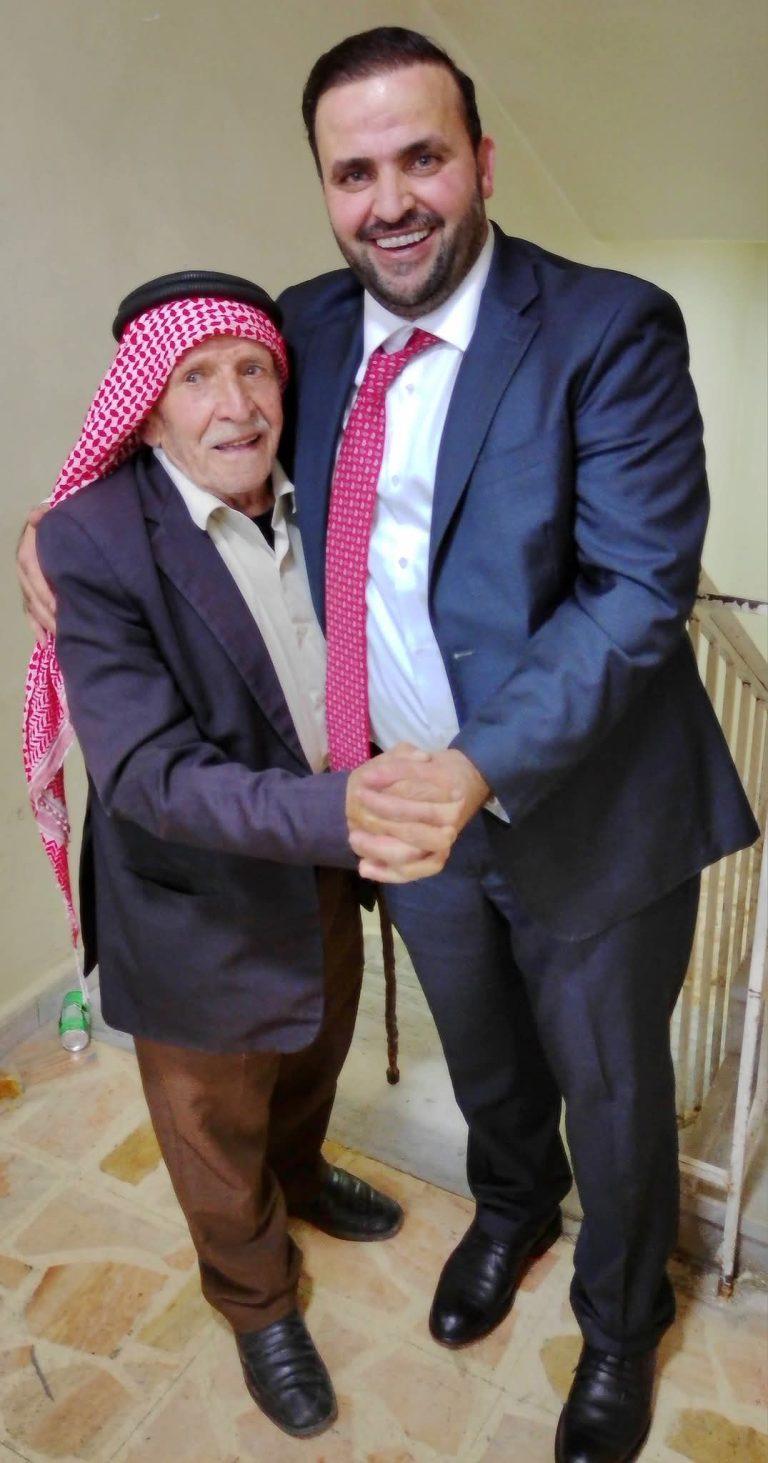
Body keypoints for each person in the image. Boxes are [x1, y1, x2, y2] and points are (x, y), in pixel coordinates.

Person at [16, 29, 759, 1463]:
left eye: (424, 157)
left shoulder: (609, 325)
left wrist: (474, 769)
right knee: (483, 1053)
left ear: (482, 160)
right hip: (406, 813)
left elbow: (637, 593)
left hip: (585, 804)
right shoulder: (305, 324)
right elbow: (185, 428)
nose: (392, 199)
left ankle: (621, 1318)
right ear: (324, 186)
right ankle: (511, 1207)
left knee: (612, 1086)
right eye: (354, 172)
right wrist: (45, 529)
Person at [23, 270, 461, 1442]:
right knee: (213, 1124)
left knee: (311, 1050)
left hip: (320, 860)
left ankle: (302, 1177)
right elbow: (149, 776)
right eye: (197, 377)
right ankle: (256, 1296)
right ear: (146, 407)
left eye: (254, 369)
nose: (236, 403)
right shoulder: (93, 539)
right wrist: (343, 809)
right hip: (196, 899)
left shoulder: (320, 489)